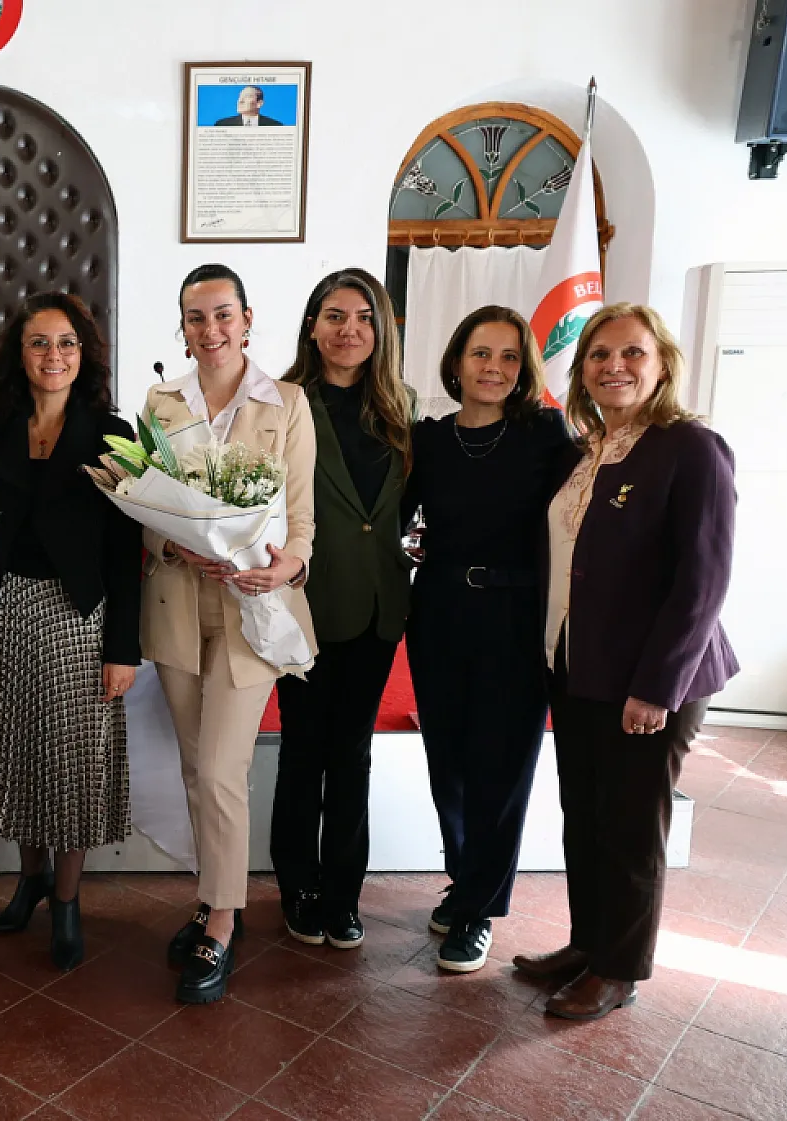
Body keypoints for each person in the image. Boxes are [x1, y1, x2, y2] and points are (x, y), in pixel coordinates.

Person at [515, 304, 738, 1020]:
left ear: (662, 363)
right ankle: (589, 944)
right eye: (599, 354)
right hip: (578, 666)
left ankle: (619, 969)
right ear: (581, 371)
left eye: (632, 353)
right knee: (584, 817)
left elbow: (702, 581)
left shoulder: (690, 448)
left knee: (632, 826)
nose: (614, 366)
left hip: (648, 680)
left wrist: (657, 687)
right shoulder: (587, 451)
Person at [144, 264, 317, 1003]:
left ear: (247, 319)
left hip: (252, 608)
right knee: (195, 766)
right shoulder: (162, 402)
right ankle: (213, 896)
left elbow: (303, 518)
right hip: (179, 603)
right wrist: (170, 543)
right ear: (182, 327)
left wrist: (287, 567)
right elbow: (145, 504)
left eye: (222, 314)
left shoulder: (288, 403)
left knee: (220, 768)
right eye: (196, 317)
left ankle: (221, 918)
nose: (209, 329)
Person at [0, 292, 142, 972]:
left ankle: (67, 901)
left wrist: (122, 648)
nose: (53, 355)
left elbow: (125, 552)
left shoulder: (111, 432)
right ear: (19, 354)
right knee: (20, 754)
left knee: (73, 762)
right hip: (5, 611)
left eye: (66, 342)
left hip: (80, 616)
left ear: (83, 353)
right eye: (39, 342)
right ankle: (31, 878)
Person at [403, 306, 574, 973]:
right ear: (456, 361)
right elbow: (392, 520)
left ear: (524, 368)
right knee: (447, 762)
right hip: (439, 612)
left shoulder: (545, 435)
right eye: (481, 353)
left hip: (516, 617)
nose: (494, 368)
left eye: (508, 356)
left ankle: (479, 906)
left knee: (500, 767)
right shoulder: (429, 440)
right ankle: (465, 877)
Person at [271, 267, 413, 953]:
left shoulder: (402, 408)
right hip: (304, 604)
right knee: (303, 750)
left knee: (353, 755)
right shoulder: (282, 402)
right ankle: (297, 885)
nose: (348, 329)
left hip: (379, 607)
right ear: (312, 326)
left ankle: (343, 893)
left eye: (362, 317)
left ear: (380, 329)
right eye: (334, 315)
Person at [215, 85, 284, 127]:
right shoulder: (222, 125)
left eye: (247, 96)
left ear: (259, 103)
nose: (240, 101)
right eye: (240, 97)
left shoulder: (275, 126)